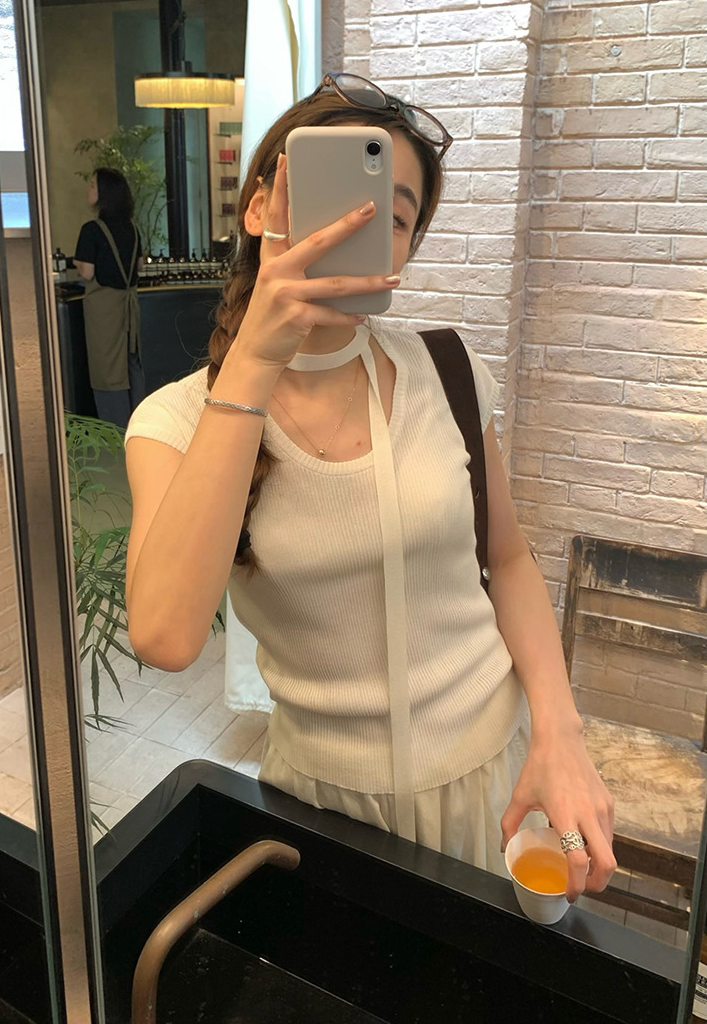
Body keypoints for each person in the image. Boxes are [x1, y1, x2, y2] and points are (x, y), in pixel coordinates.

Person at [123, 73, 616, 901]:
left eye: (392, 218)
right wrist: (255, 360)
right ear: (259, 207)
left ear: (405, 253)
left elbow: (508, 560)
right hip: (321, 812)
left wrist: (561, 733)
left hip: (493, 783)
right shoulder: (174, 422)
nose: (356, 226)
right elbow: (166, 636)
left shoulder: (450, 372)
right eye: (333, 198)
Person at [73, 167, 146, 429]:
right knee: (130, 363)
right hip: (129, 308)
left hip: (104, 311)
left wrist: (77, 263)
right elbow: (139, 267)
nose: (89, 189)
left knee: (106, 369)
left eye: (93, 184)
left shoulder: (92, 230)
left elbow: (87, 272)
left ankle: (115, 433)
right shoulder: (132, 229)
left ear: (104, 193)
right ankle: (140, 426)